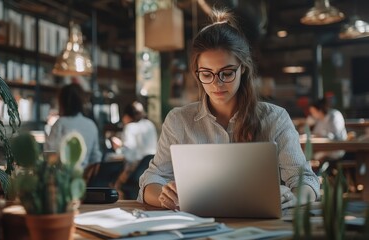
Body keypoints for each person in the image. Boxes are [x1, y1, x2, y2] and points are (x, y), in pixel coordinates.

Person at [137, 9, 320, 210]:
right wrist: (164, 196)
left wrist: (294, 198)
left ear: (243, 68)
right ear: (196, 73)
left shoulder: (275, 118)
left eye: (227, 72)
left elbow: (305, 180)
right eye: (207, 74)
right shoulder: (178, 120)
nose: (217, 83)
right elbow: (151, 179)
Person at [44, 83, 102, 174]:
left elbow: (49, 154)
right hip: (84, 182)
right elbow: (96, 160)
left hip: (63, 181)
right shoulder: (91, 125)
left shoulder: (60, 123)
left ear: (62, 102)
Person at [111, 101, 158, 197]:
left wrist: (119, 146)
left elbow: (129, 156)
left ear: (127, 116)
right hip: (152, 169)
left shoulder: (129, 127)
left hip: (136, 171)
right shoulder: (150, 124)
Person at [308, 98, 348, 165]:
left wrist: (320, 136)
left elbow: (336, 136)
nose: (313, 114)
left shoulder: (334, 116)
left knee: (313, 156)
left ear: (319, 110)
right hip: (325, 148)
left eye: (313, 112)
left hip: (336, 149)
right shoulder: (320, 120)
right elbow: (315, 133)